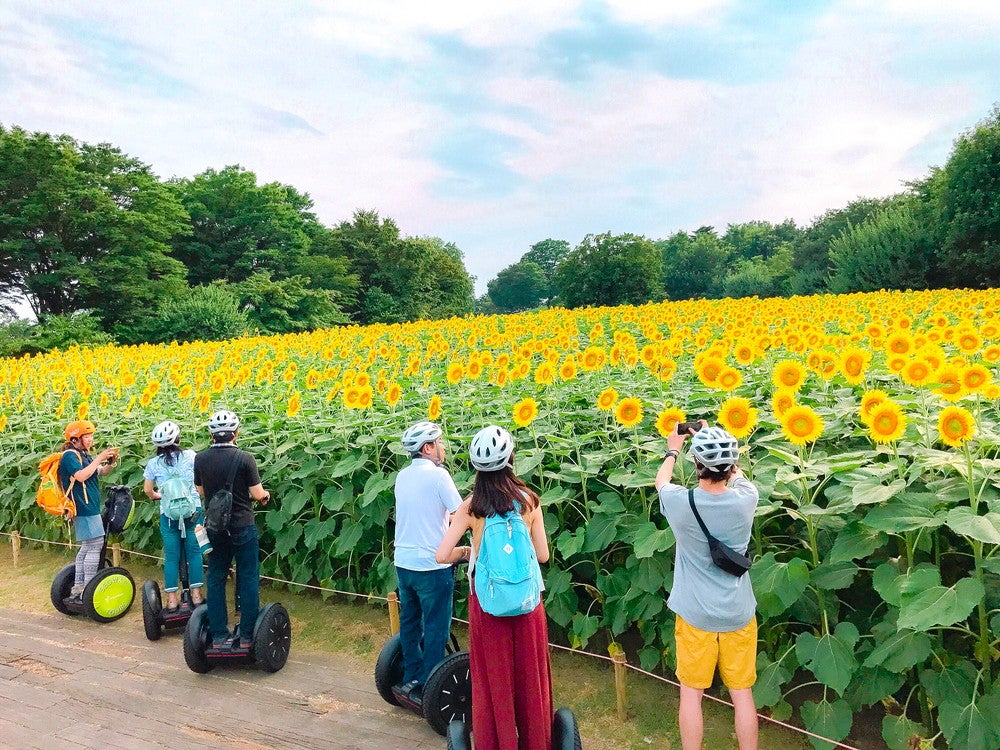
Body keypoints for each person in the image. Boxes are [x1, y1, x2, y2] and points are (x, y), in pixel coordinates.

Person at [436, 425, 552, 750]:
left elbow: (442, 554)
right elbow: (542, 555)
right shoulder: (529, 501)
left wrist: (468, 552)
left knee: (494, 681)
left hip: (488, 608)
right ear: (511, 459)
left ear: (476, 467)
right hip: (528, 606)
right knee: (531, 679)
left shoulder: (472, 507)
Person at [654, 421, 759, 750]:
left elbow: (661, 481)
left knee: (691, 695)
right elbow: (737, 474)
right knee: (742, 696)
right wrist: (713, 438)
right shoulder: (747, 498)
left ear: (696, 464)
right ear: (731, 465)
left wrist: (675, 447)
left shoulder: (679, 503)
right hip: (738, 613)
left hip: (695, 613)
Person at [393, 421, 467, 700]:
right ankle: (429, 685)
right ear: (428, 448)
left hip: (404, 562)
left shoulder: (402, 476)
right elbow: (460, 515)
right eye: (438, 442)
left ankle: (410, 676)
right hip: (432, 566)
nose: (443, 447)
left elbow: (424, 511)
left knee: (410, 623)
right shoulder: (439, 476)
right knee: (437, 626)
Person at [194, 410, 270, 649]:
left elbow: (201, 492)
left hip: (215, 528)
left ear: (211, 434)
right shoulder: (245, 458)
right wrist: (265, 496)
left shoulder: (201, 458)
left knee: (216, 577)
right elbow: (257, 494)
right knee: (247, 577)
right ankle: (247, 635)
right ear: (236, 433)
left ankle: (218, 636)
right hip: (242, 525)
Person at [143, 420, 204, 611]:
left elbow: (147, 490)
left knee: (171, 556)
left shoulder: (153, 464)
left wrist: (157, 496)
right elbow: (200, 483)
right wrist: (196, 495)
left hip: (168, 515)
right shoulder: (190, 456)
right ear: (177, 439)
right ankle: (196, 596)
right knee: (195, 553)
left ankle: (171, 599)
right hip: (193, 511)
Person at [58, 420, 119, 605]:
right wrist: (100, 457)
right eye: (87, 436)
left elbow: (99, 472)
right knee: (95, 545)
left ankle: (79, 587)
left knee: (87, 546)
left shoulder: (83, 455)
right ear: (75, 438)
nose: (90, 439)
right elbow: (81, 476)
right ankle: (88, 588)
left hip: (89, 505)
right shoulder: (69, 455)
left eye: (91, 435)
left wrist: (110, 463)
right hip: (83, 507)